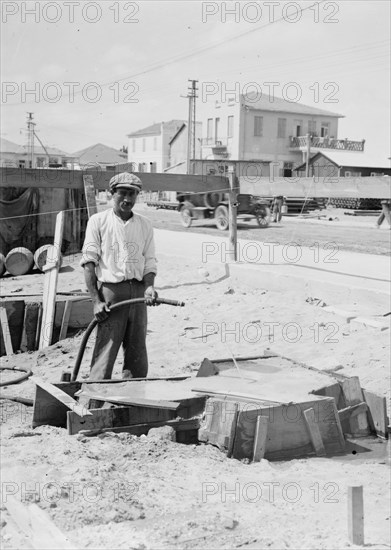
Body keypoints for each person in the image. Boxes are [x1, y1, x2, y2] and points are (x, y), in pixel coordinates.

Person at [80, 172, 158, 381]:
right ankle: (95, 398)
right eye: (122, 193)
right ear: (110, 193)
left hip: (139, 292)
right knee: (107, 347)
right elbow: (89, 263)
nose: (127, 199)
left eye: (132, 194)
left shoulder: (144, 224)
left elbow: (149, 261)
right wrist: (96, 301)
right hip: (112, 293)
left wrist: (149, 287)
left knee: (137, 350)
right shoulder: (98, 221)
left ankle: (133, 396)